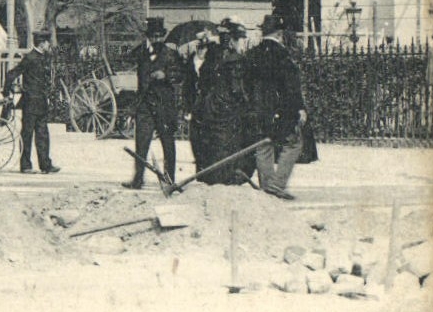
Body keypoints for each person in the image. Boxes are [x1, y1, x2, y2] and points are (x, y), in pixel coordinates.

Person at [243, 13, 307, 200]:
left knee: (264, 145)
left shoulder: (252, 54)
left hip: (258, 109)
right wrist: (299, 108)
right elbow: (290, 85)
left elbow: (245, 83)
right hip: (281, 108)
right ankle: (277, 184)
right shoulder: (282, 54)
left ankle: (267, 187)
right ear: (279, 34)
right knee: (294, 143)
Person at [126, 17, 193, 188]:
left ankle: (169, 178)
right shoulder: (141, 53)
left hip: (164, 105)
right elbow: (128, 59)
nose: (156, 39)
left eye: (159, 36)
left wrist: (166, 76)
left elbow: (180, 76)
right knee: (141, 142)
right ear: (148, 36)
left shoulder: (171, 55)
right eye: (153, 36)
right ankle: (138, 179)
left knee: (167, 142)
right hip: (145, 104)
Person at [190, 20, 253, 184]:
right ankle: (227, 179)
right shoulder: (235, 60)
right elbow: (237, 89)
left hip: (209, 107)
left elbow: (202, 80)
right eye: (240, 39)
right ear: (232, 39)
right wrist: (247, 102)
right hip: (226, 109)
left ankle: (210, 178)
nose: (242, 42)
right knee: (227, 144)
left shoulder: (212, 56)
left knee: (212, 144)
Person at [4, 31, 59, 174]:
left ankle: (46, 165)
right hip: (30, 102)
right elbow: (12, 74)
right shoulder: (29, 58)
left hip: (41, 102)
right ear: (41, 43)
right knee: (27, 134)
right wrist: (6, 93)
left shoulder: (43, 58)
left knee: (43, 135)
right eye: (47, 42)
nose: (49, 45)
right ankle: (26, 165)